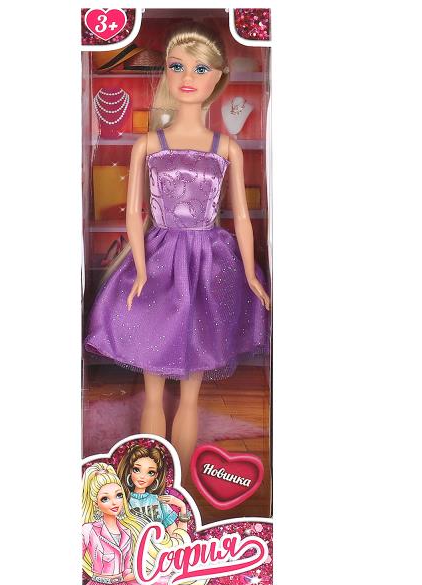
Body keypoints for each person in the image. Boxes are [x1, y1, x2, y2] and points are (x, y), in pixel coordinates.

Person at [84, 22, 270, 478]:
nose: (187, 77)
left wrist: (250, 274)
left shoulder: (226, 147)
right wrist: (140, 268)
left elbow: (241, 218)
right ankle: (149, 480)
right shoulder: (150, 144)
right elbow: (134, 214)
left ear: (220, 75)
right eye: (177, 66)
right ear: (166, 72)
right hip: (161, 260)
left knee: (191, 392)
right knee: (152, 389)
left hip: (209, 263)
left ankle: (180, 482)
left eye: (200, 68)